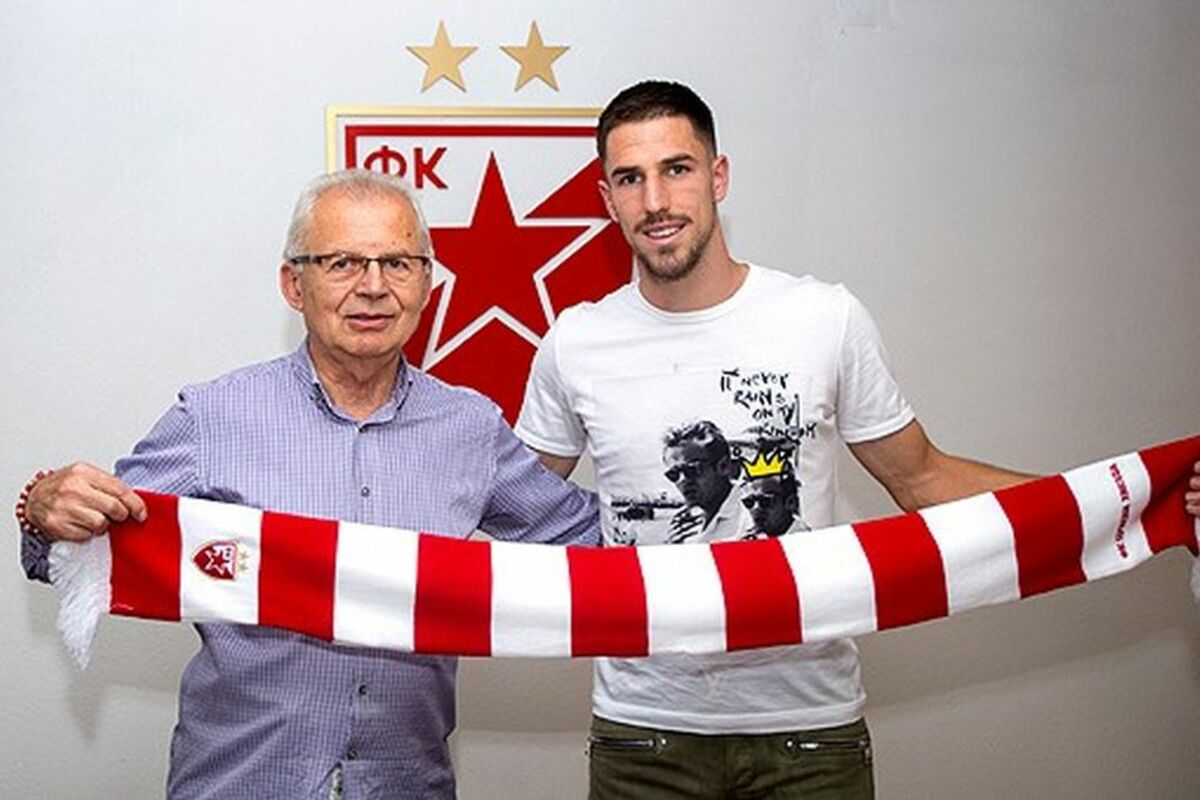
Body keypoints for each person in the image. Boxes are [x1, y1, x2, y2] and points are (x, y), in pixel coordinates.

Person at [515, 80, 1200, 799]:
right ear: (608, 198)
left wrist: (1134, 501)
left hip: (809, 734)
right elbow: (513, 503)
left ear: (718, 177)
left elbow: (923, 479)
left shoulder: (822, 318)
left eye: (676, 169)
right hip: (642, 734)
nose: (655, 201)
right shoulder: (577, 343)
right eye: (631, 179)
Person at [18, 169, 600, 800]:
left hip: (407, 784)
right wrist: (45, 509)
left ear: (427, 283)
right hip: (242, 783)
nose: (373, 287)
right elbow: (81, 546)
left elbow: (596, 540)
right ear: (294, 285)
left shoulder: (470, 429)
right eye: (343, 263)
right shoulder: (214, 417)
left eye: (397, 264)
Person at [661, 420, 740, 543]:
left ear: (723, 466)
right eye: (673, 475)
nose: (682, 480)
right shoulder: (683, 524)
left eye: (692, 470)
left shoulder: (752, 513)